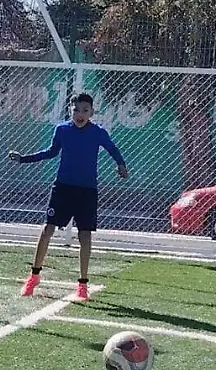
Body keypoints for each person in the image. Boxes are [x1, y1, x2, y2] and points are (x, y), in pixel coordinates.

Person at [9, 92, 128, 300]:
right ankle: (34, 276)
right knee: (47, 229)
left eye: (85, 110)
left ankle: (82, 284)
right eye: (76, 110)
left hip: (87, 191)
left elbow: (112, 149)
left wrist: (121, 164)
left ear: (92, 112)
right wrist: (24, 159)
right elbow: (51, 152)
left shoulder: (98, 132)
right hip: (62, 188)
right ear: (70, 111)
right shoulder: (62, 130)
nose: (80, 114)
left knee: (85, 235)